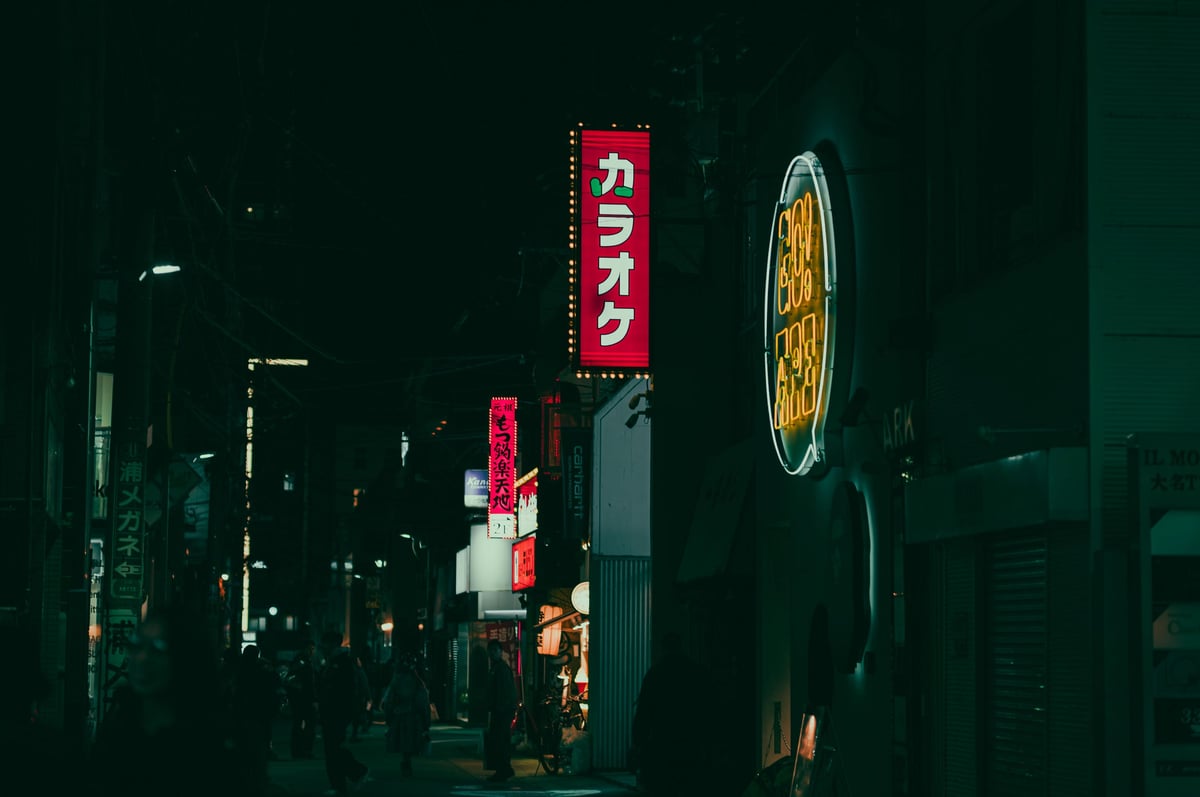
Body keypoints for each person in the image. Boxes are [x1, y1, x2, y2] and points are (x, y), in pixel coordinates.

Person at [91, 604, 251, 797]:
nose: (142, 658)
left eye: (158, 648)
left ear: (188, 658)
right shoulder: (119, 727)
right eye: (136, 645)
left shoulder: (215, 743)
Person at [631, 632, 709, 796]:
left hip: (662, 739)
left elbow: (645, 709)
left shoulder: (656, 673)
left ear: (663, 647)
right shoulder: (694, 671)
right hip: (689, 739)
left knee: (663, 787)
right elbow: (705, 707)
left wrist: (638, 740)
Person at [316, 632, 370, 796]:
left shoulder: (342, 662)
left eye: (325, 644)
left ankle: (355, 772)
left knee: (333, 748)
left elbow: (344, 690)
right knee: (332, 748)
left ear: (332, 644)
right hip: (333, 711)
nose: (323, 647)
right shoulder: (333, 661)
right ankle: (340, 783)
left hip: (337, 711)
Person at [232, 644, 282, 790]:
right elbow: (274, 683)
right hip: (260, 711)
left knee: (245, 743)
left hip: (243, 712)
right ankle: (259, 774)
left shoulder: (240, 669)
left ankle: (246, 774)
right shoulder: (262, 669)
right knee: (261, 742)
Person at [380, 651, 431, 776]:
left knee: (402, 740)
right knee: (411, 740)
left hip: (399, 715)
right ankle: (407, 762)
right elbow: (423, 701)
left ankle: (405, 761)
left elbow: (389, 700)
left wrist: (388, 715)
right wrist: (426, 720)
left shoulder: (396, 681)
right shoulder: (418, 682)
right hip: (414, 715)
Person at [482, 639, 517, 783]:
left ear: (500, 652)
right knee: (500, 741)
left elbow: (505, 692)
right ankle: (503, 769)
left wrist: (499, 708)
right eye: (490, 651)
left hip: (502, 712)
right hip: (500, 711)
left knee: (500, 741)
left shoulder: (500, 669)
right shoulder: (496, 668)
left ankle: (503, 770)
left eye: (495, 650)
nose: (492, 653)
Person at [285, 639, 318, 759]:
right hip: (303, 699)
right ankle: (303, 750)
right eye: (311, 649)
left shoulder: (303, 661)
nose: (312, 651)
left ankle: (299, 750)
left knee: (300, 725)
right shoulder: (303, 662)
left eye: (313, 649)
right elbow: (308, 683)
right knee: (306, 725)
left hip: (300, 698)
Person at [348, 651, 372, 741]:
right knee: (360, 713)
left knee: (357, 714)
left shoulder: (351, 671)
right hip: (358, 696)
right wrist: (369, 696)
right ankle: (357, 731)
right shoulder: (360, 671)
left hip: (353, 695)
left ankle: (356, 731)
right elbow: (365, 685)